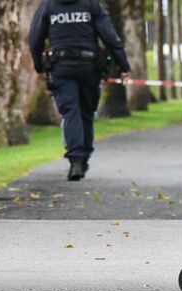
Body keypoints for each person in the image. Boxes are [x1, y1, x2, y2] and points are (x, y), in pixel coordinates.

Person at [28, 0, 131, 181]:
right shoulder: (91, 5)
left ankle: (75, 160)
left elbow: (35, 38)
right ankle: (83, 158)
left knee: (70, 112)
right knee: (86, 112)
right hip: (89, 67)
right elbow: (109, 36)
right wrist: (123, 66)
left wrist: (39, 66)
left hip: (61, 67)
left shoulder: (49, 6)